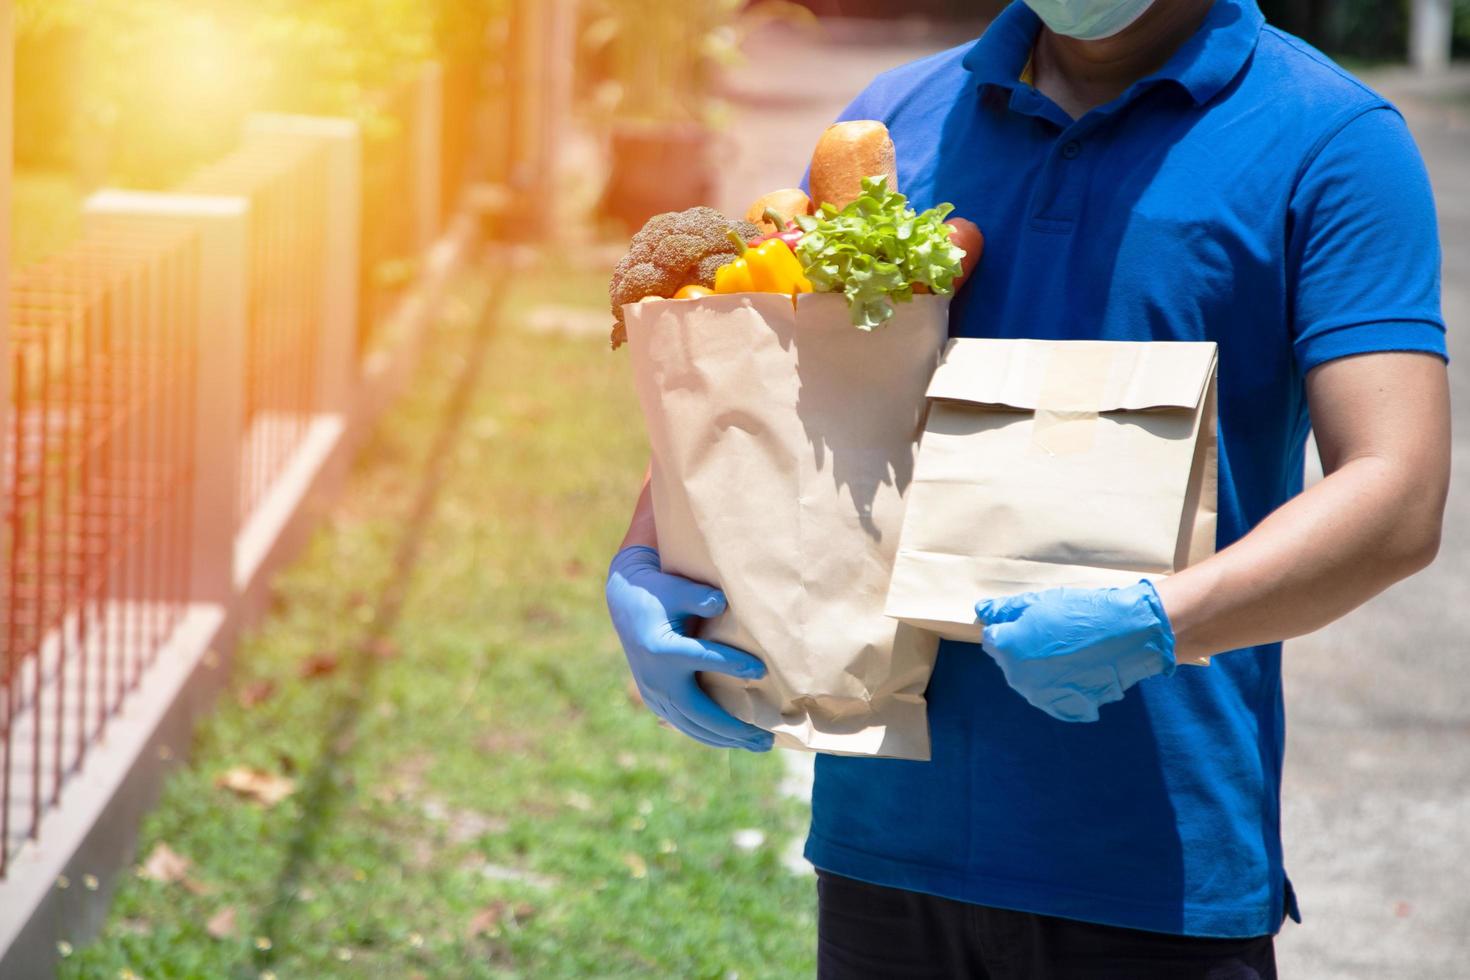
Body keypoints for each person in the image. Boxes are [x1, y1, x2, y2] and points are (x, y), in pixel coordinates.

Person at [604, 0, 1452, 975]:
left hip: (1152, 868)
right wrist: (645, 550)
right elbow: (772, 384)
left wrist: (1162, 618)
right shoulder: (896, 122)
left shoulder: (1331, 140)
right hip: (887, 840)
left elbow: (1396, 489)